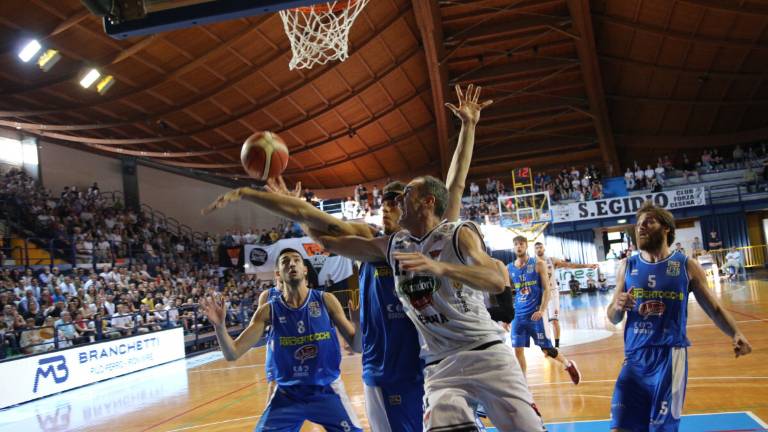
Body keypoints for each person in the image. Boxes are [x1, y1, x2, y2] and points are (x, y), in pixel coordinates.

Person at [204, 84, 493, 431]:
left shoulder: (428, 241)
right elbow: (319, 223)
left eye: (397, 202)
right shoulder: (372, 242)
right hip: (385, 370)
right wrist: (263, 197)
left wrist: (468, 127)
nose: (388, 208)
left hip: (432, 364)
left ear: (416, 208)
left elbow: (455, 185)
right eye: (385, 203)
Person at [315, 176, 546, 431]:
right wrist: (288, 203)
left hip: (475, 352)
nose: (394, 203)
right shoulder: (385, 245)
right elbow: (327, 234)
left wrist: (467, 133)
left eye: (400, 196)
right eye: (389, 199)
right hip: (431, 364)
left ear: (426, 202)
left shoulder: (451, 235)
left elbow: (456, 186)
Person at [607, 201, 752, 432]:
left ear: (666, 228)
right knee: (619, 428)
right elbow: (613, 317)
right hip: (634, 360)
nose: (641, 228)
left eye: (649, 222)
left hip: (669, 359)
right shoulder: (627, 265)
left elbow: (713, 308)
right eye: (638, 225)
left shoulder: (686, 266)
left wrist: (735, 332)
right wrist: (618, 305)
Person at [200, 248, 362, 431]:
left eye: (296, 260)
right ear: (278, 273)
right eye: (285, 261)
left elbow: (358, 347)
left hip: (326, 390)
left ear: (305, 269)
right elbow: (232, 353)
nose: (291, 264)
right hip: (287, 395)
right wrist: (220, 327)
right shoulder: (268, 310)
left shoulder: (326, 300)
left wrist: (357, 322)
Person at [509, 236, 581, 382]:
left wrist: (542, 310)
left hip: (535, 314)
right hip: (518, 315)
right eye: (516, 244)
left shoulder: (538, 264)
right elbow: (510, 291)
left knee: (547, 350)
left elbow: (547, 290)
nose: (518, 247)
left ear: (526, 245)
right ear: (513, 247)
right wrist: (507, 316)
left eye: (521, 244)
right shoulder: (509, 268)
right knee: (517, 350)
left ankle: (568, 365)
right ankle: (523, 383)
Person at [534, 242, 598, 348]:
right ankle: (547, 345)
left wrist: (586, 265)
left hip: (552, 292)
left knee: (554, 320)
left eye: (540, 247)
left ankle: (557, 345)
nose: (539, 249)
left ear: (544, 248)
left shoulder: (552, 260)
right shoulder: (532, 263)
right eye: (536, 248)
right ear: (534, 250)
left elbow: (569, 265)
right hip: (541, 294)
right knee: (544, 323)